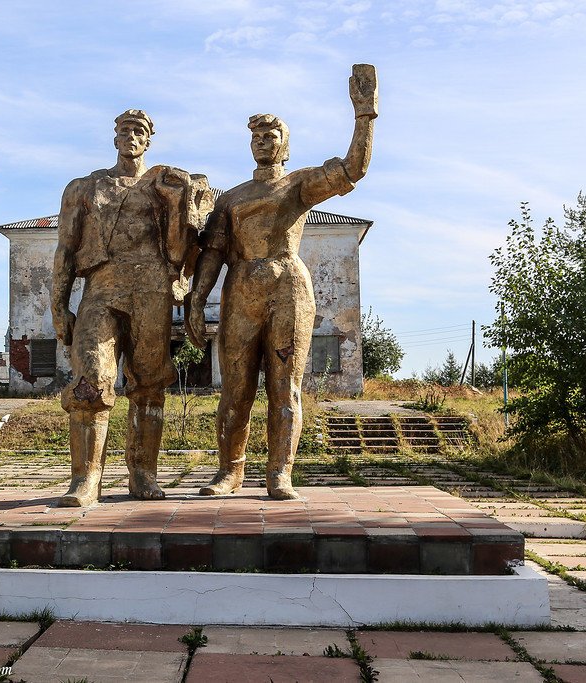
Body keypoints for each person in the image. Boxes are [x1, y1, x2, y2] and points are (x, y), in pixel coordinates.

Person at [187, 65, 378, 500]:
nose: (261, 141)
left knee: (283, 386)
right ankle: (230, 472)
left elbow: (353, 170)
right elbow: (213, 251)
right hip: (241, 290)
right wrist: (196, 301)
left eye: (271, 136)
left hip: (288, 287)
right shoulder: (231, 197)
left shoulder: (297, 184)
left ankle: (279, 473)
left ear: (285, 146)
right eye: (255, 136)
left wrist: (364, 115)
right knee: (235, 388)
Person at [52, 109, 211, 507]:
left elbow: (195, 239)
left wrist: (185, 201)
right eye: (125, 130)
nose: (131, 137)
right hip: (102, 290)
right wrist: (58, 304)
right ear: (115, 138)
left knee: (149, 385)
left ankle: (143, 474)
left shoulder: (166, 183)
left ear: (148, 139)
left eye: (139, 131)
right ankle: (85, 479)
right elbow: (66, 250)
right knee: (91, 378)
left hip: (153, 291)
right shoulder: (85, 188)